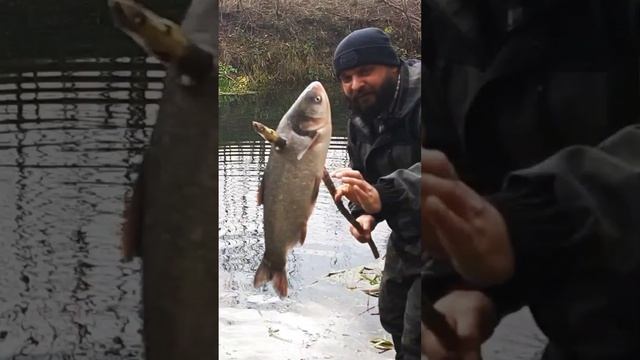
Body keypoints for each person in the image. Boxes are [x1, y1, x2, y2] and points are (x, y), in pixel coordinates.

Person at [422, 2, 640, 359]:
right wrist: (463, 285)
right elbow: (457, 169)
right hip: (577, 338)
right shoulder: (442, 21)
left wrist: (529, 218)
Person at [331, 27, 422, 359]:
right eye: (347, 77)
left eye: (365, 72)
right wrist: (366, 214)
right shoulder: (360, 121)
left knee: (420, 334)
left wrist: (386, 195)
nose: (356, 85)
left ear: (393, 67)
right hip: (409, 234)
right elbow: (365, 180)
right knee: (393, 316)